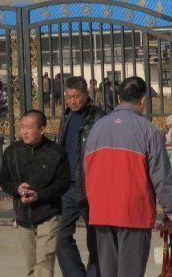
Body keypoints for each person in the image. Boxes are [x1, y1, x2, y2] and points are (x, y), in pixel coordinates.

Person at [84, 76, 172, 277]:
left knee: (107, 271)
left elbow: (86, 169)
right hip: (133, 212)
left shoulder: (97, 128)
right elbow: (161, 174)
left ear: (119, 98)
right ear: (143, 100)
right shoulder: (147, 130)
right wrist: (170, 209)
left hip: (101, 211)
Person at [0, 110, 71, 277]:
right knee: (31, 267)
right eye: (22, 127)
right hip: (23, 216)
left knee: (44, 262)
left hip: (48, 215)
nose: (24, 131)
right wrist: (17, 188)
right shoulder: (12, 152)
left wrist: (40, 195)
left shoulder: (56, 153)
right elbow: (3, 179)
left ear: (42, 129)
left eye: (29, 127)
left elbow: (63, 183)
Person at [56, 77, 105, 277]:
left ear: (86, 95)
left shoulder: (99, 118)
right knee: (60, 236)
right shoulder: (66, 115)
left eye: (76, 96)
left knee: (96, 240)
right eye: (68, 97)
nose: (72, 101)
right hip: (68, 187)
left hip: (91, 187)